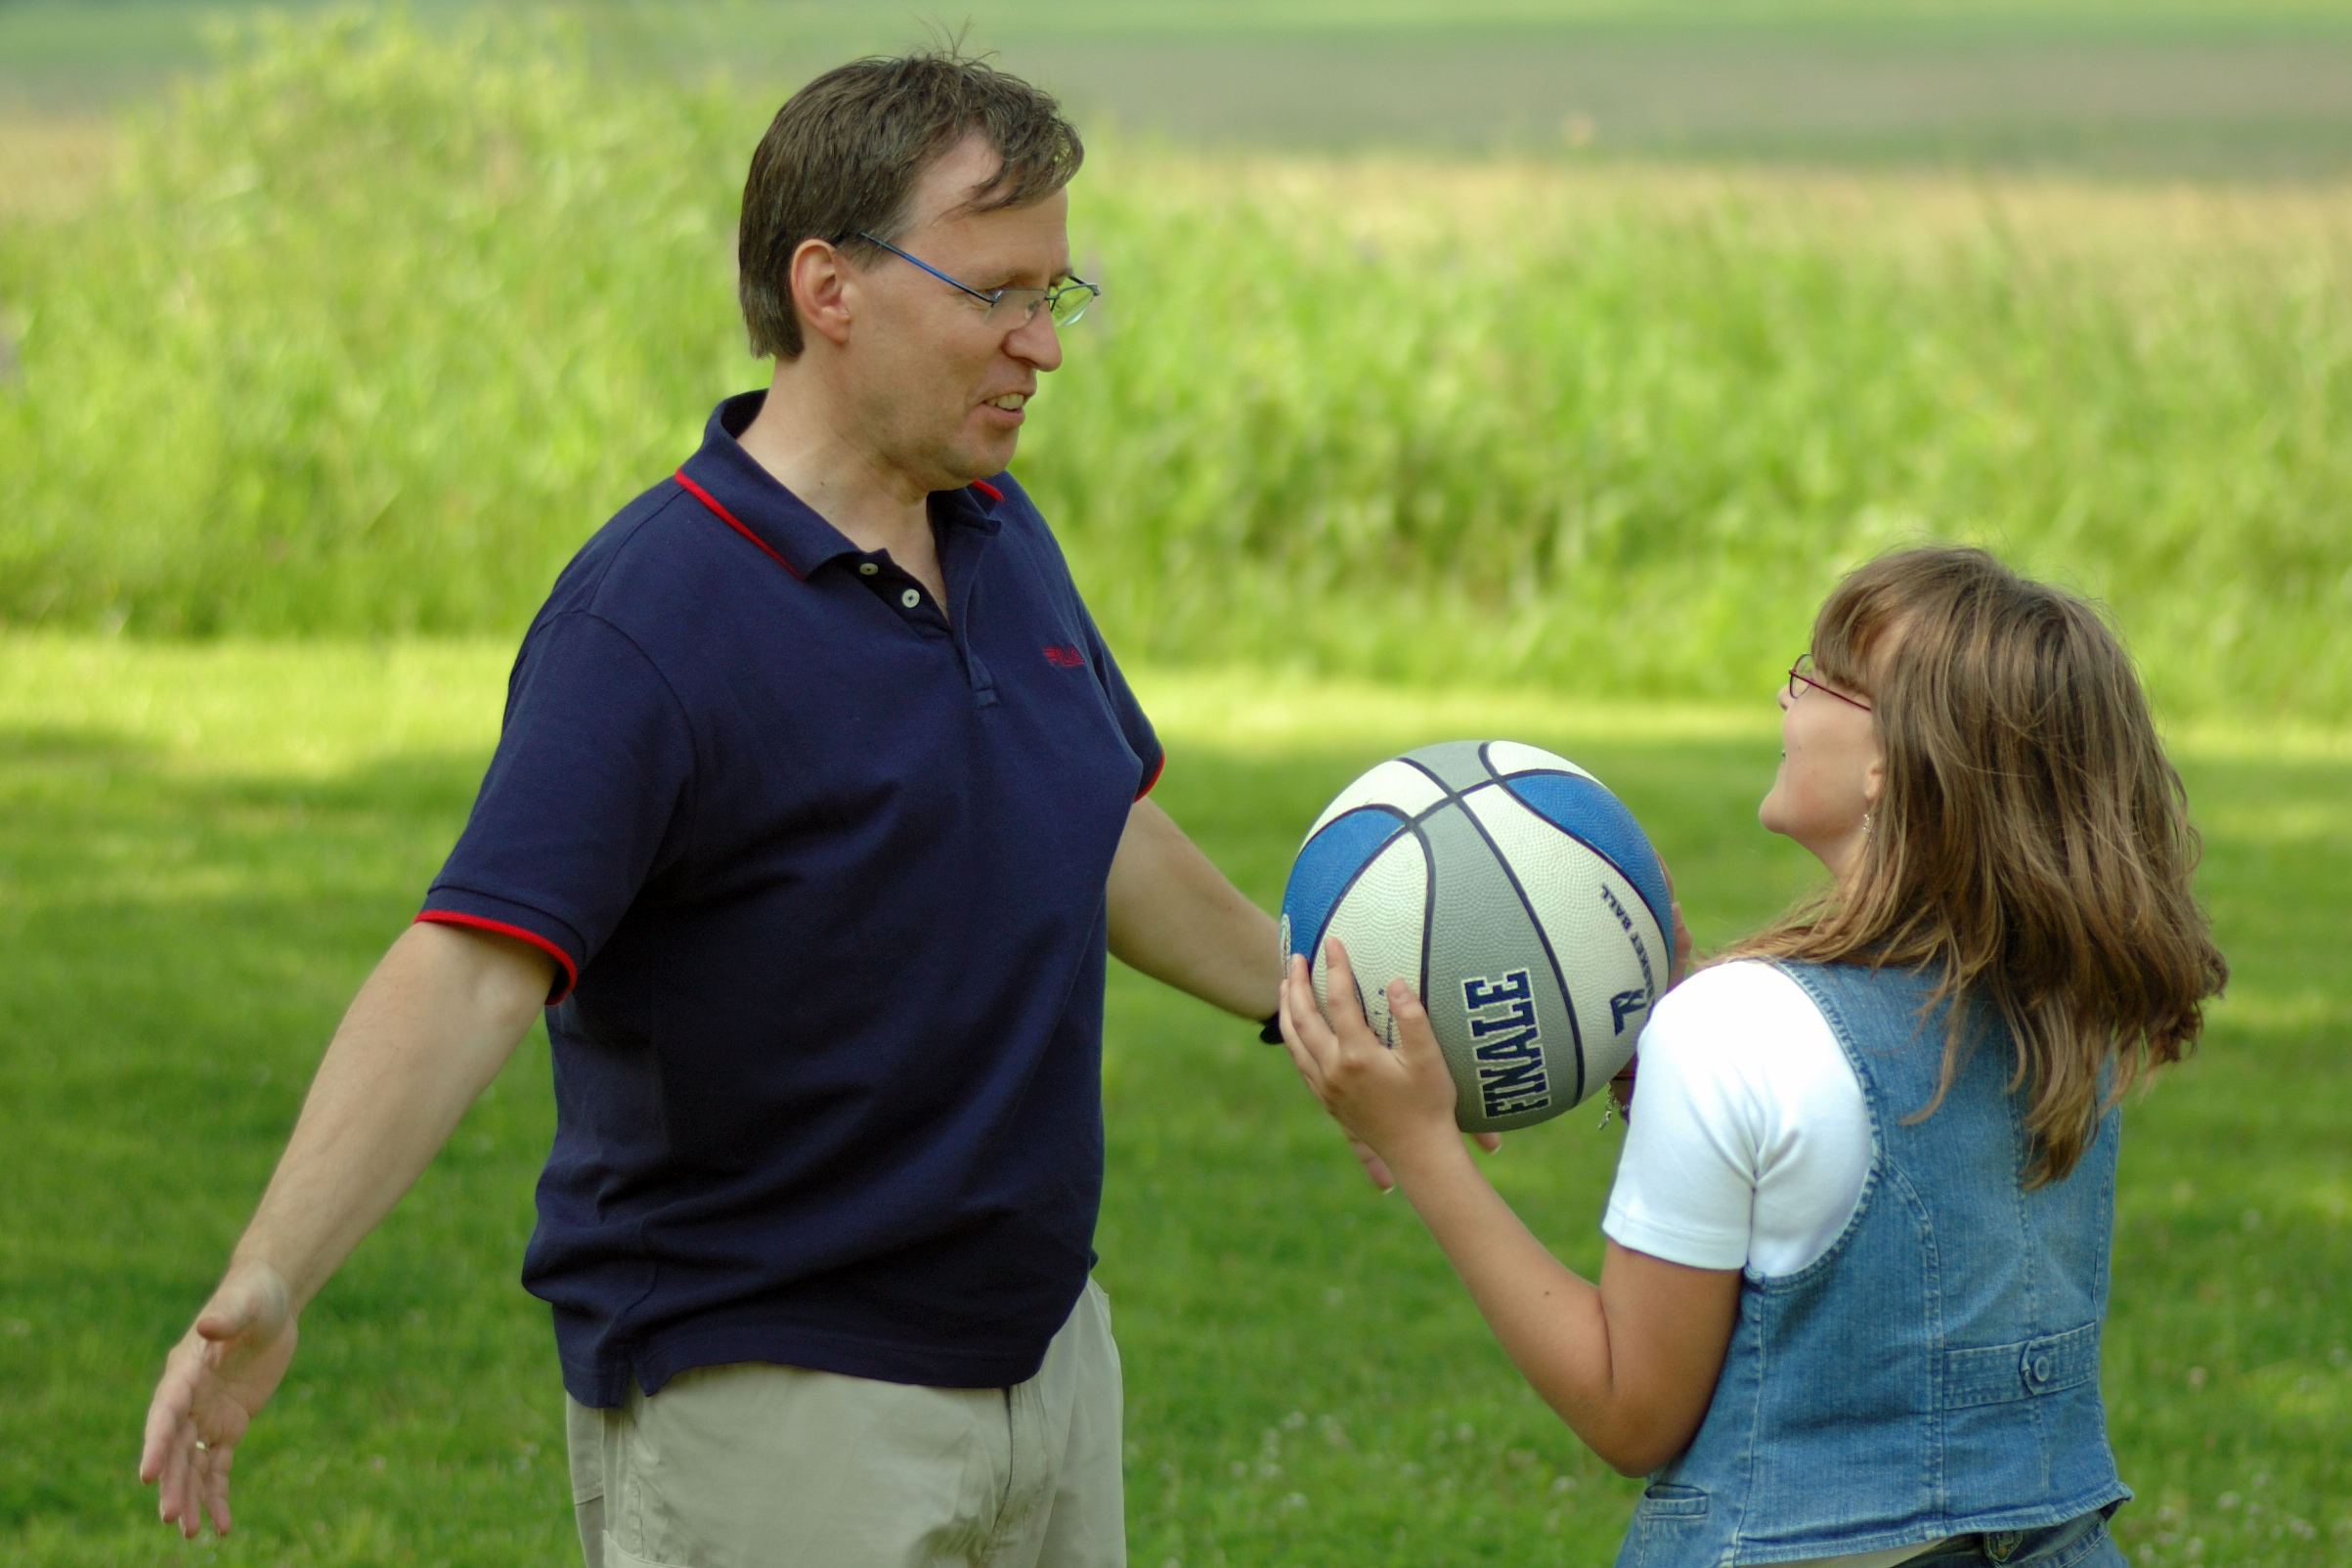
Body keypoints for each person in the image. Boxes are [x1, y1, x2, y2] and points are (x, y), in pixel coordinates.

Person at [140, 52, 1285, 1568]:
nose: (1041, 346)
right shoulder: (651, 616)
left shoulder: (999, 537)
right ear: (829, 287)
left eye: (1054, 294)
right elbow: (473, 967)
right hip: (773, 1406)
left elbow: (1093, 822)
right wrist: (275, 1268)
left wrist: (1305, 1006)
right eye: (996, 294)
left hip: (1047, 1362)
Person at [1279, 546, 2227, 1566]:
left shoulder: (1737, 1029)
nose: (1787, 691)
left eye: (1821, 675)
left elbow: (1630, 1411)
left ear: (1889, 760)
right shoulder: (2066, 1008)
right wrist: (1665, 1060)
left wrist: (1421, 1143)